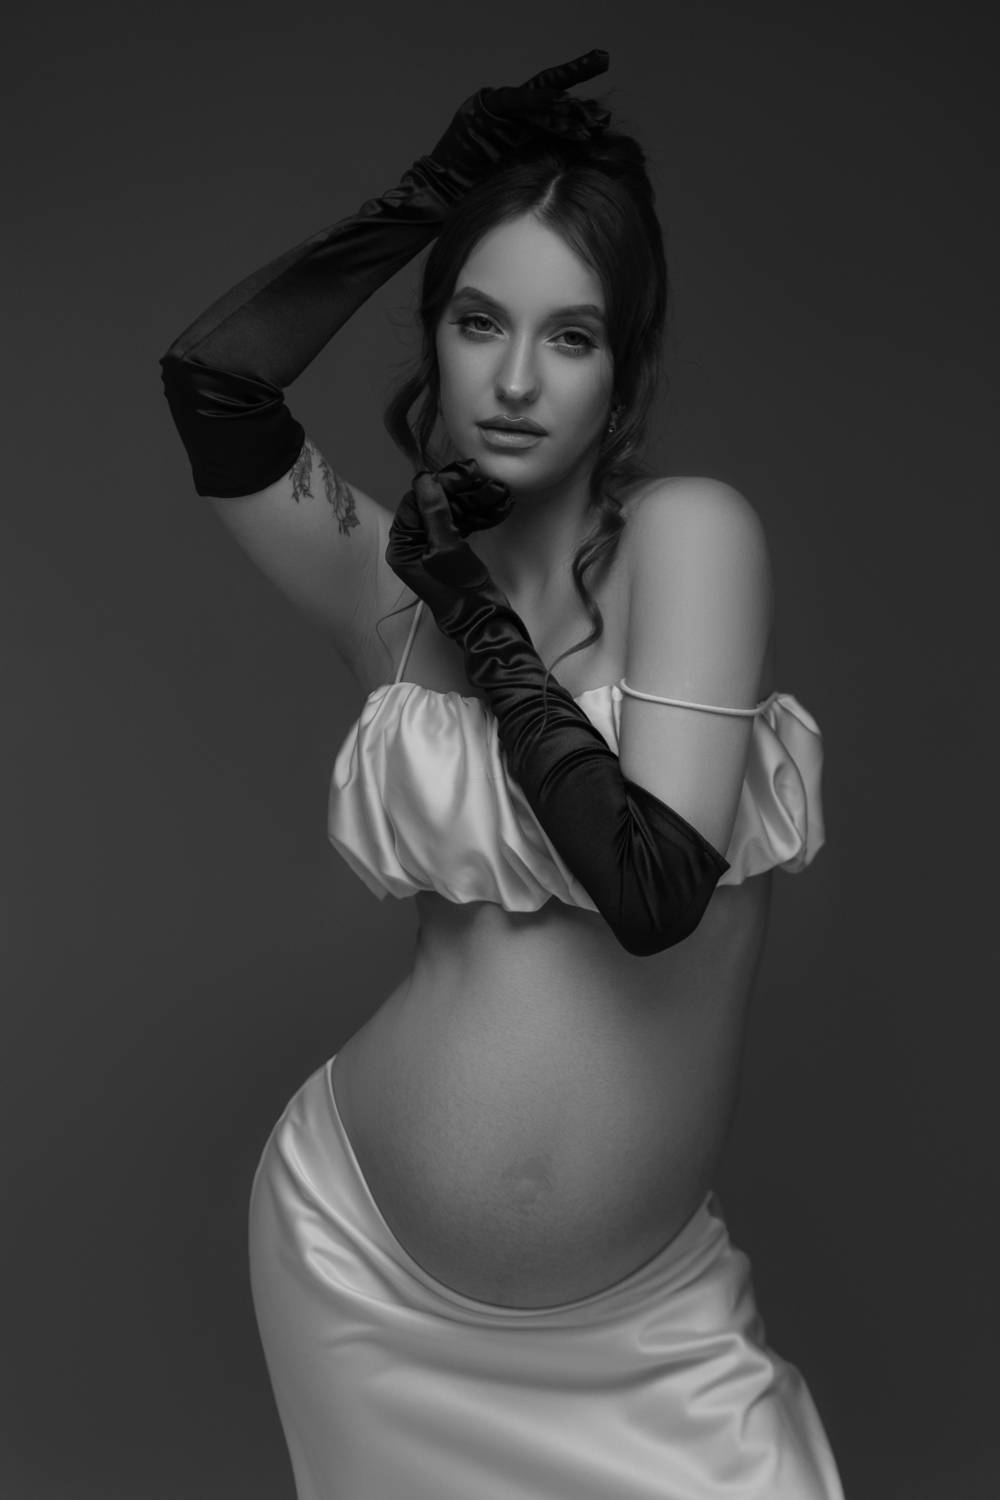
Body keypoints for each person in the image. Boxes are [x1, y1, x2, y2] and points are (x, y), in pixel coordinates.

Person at [160, 48, 843, 1500]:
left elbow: (652, 882)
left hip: (646, 1339)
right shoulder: (386, 590)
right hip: (358, 1281)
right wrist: (427, 196)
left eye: (570, 336)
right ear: (436, 339)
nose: (518, 380)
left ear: (624, 366)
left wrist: (469, 604)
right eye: (480, 322)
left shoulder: (686, 541)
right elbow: (215, 384)